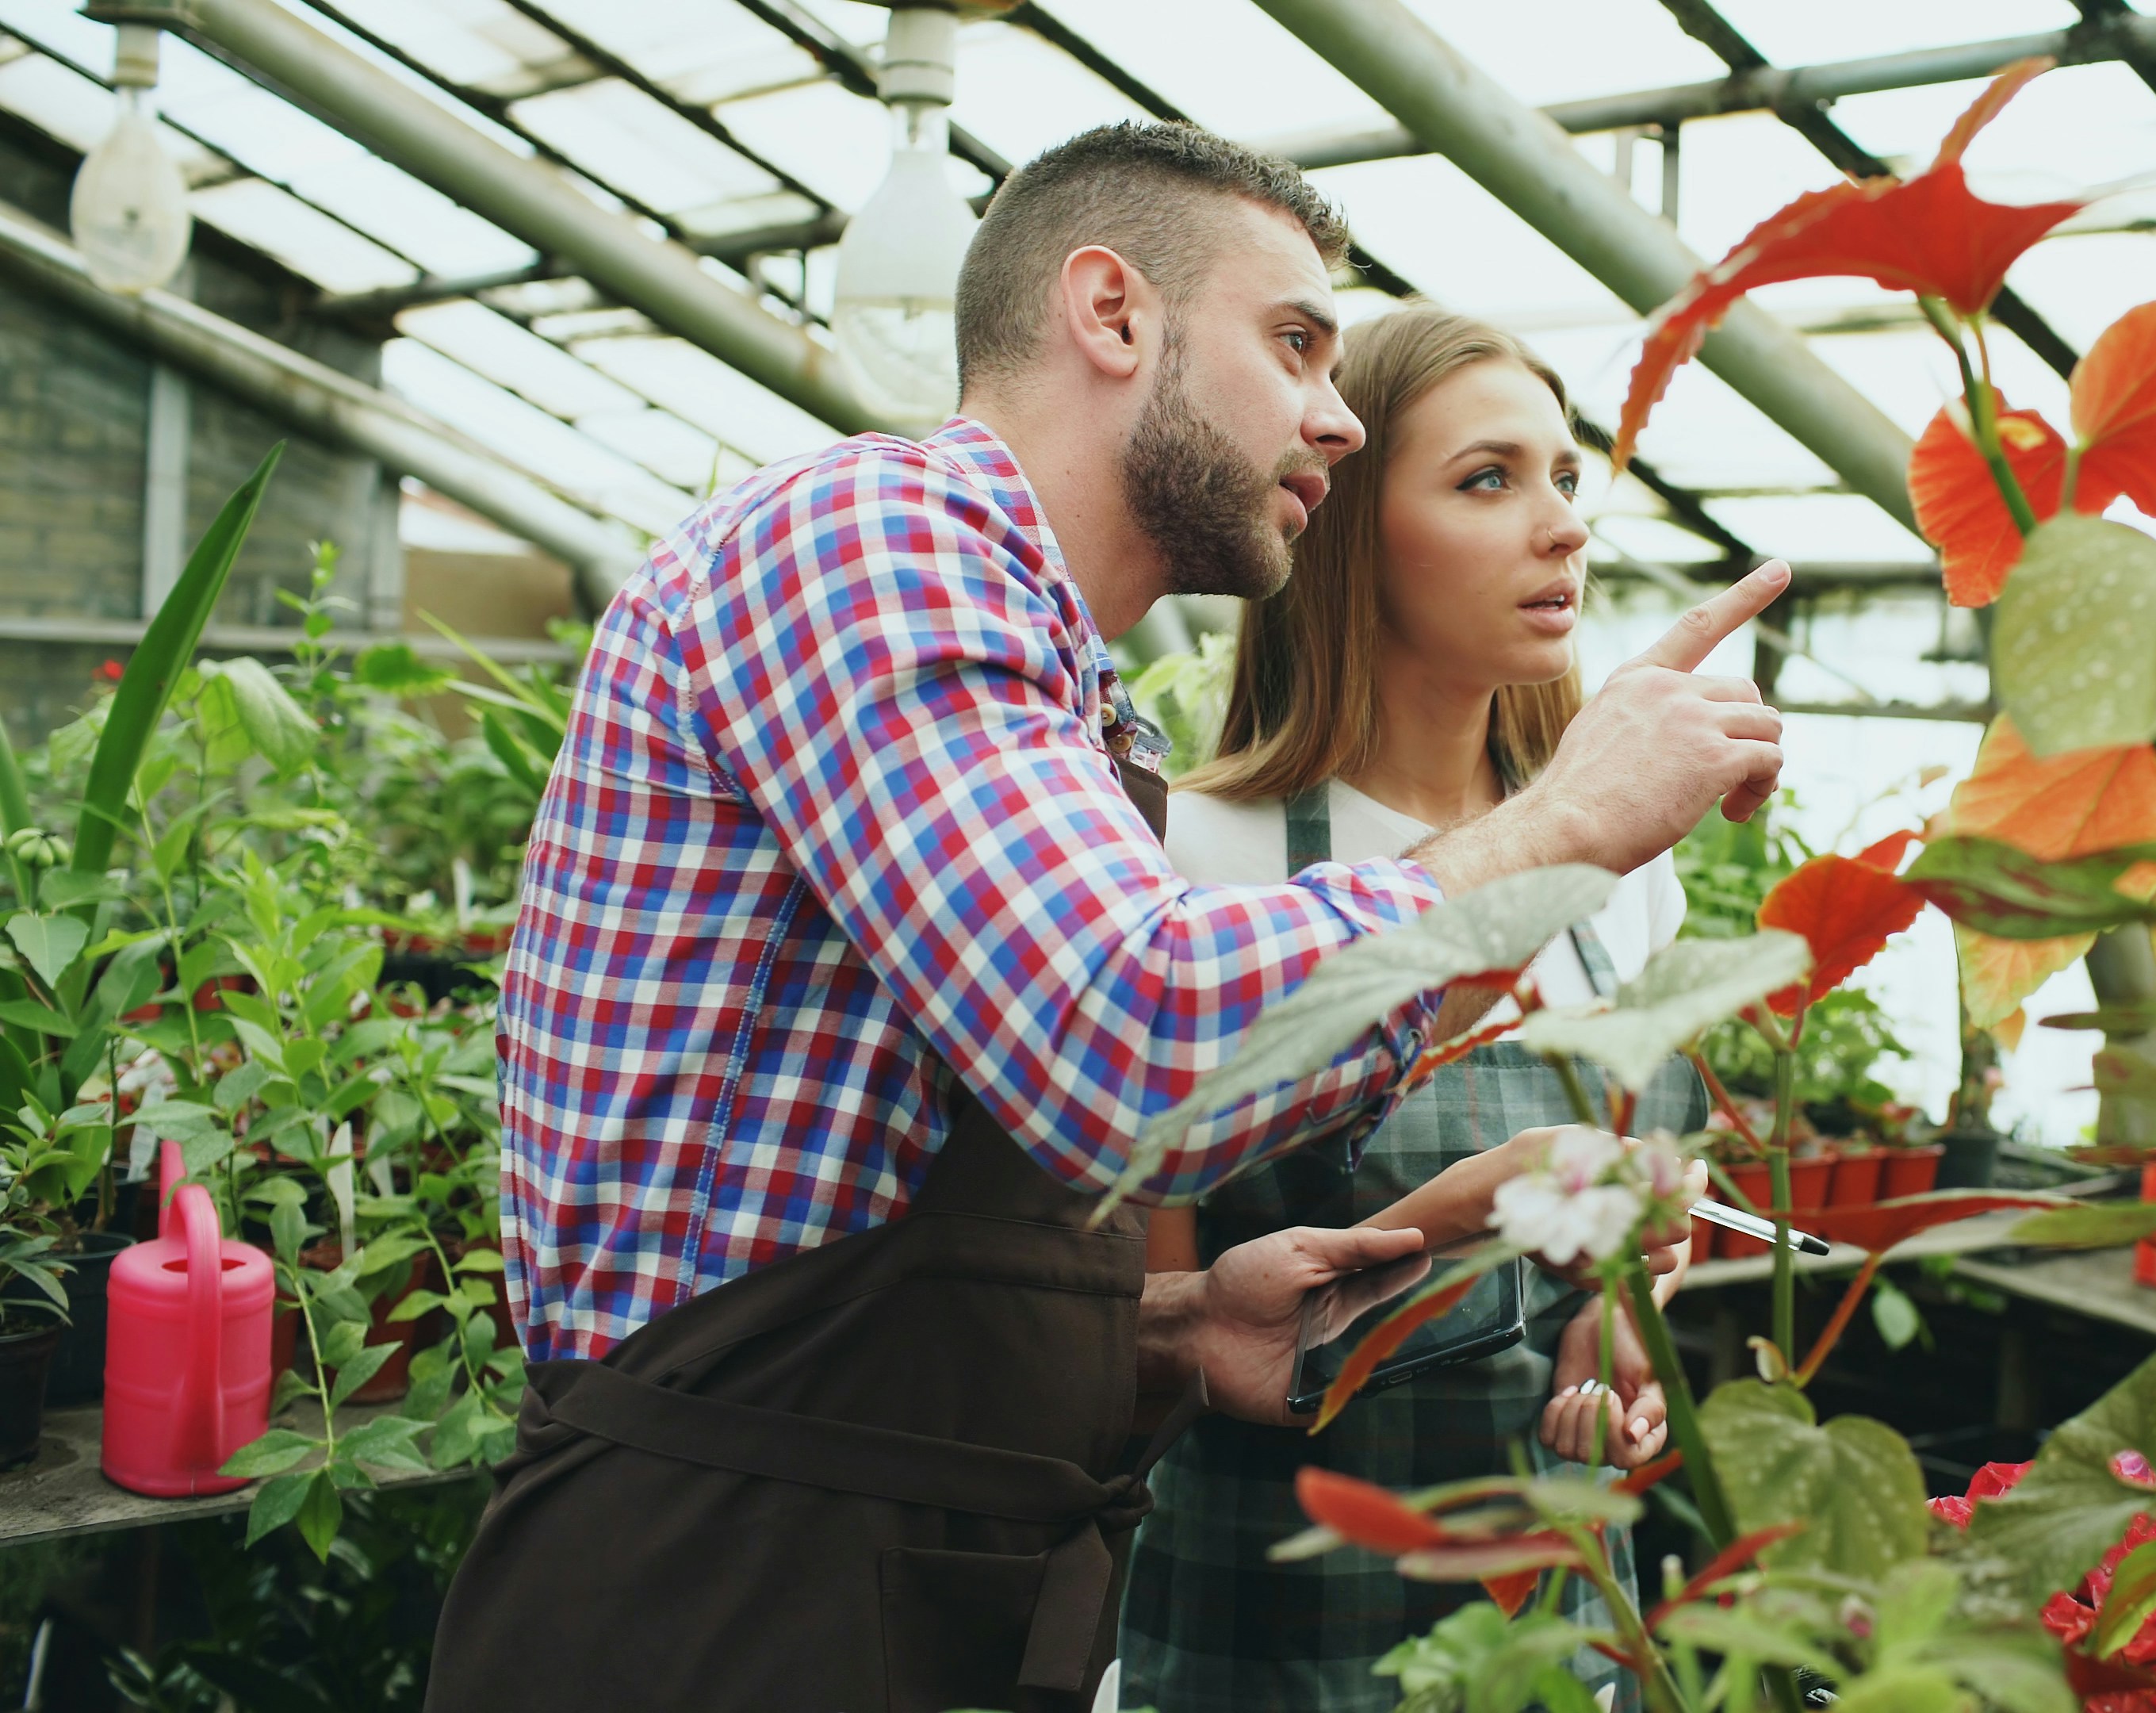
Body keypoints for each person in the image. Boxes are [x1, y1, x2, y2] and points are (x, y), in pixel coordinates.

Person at [423, 122, 1790, 1713]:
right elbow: (1129, 1040)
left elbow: (865, 1208)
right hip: (719, 1594)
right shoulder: (875, 543)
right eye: (1294, 342)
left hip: (880, 1558)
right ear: (1113, 314)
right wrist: (1565, 823)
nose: (1335, 417)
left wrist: (1163, 1327)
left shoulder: (1061, 697)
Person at [1119, 305, 1704, 1713]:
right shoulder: (1191, 858)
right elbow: (1128, 1326)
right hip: (1271, 1617)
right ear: (1339, 531)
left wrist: (1619, 1311)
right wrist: (1461, 1213)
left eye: (1566, 478)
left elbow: (1646, 1204)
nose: (1562, 526)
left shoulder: (1630, 863)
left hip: (1552, 1618)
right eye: (1487, 480)